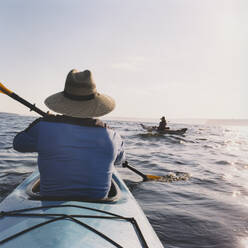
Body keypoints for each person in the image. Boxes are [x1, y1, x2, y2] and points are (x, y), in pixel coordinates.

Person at [13, 69, 125, 200]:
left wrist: (42, 122)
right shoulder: (113, 136)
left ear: (64, 102)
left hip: (50, 201)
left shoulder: (44, 127)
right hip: (97, 206)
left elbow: (18, 144)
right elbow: (119, 160)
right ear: (94, 104)